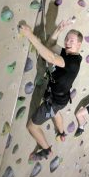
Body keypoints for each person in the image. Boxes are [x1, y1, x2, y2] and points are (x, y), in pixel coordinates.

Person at [19, 19, 83, 160]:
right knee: (56, 113)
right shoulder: (70, 53)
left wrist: (29, 35)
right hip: (61, 98)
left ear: (79, 44)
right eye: (66, 39)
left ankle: (47, 150)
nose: (67, 42)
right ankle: (61, 133)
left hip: (54, 100)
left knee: (32, 126)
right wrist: (59, 29)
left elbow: (50, 57)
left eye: (71, 41)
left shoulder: (72, 63)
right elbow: (50, 45)